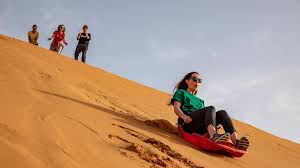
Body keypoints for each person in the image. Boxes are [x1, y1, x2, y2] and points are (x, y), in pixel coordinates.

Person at [171, 72, 249, 150]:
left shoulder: (200, 101)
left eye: (199, 80)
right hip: (187, 122)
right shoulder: (181, 92)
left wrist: (214, 124)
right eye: (194, 79)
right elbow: (176, 108)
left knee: (222, 113)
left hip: (198, 127)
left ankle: (236, 142)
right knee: (211, 108)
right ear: (187, 81)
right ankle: (213, 136)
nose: (197, 82)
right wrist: (184, 117)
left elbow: (205, 116)